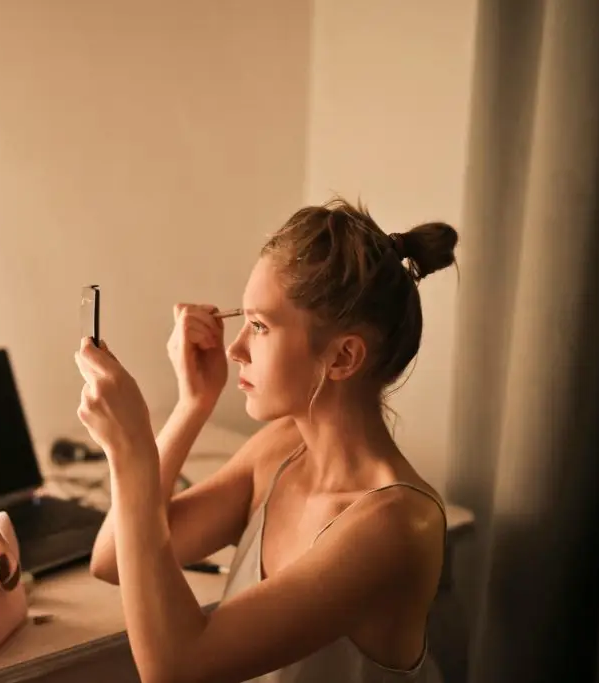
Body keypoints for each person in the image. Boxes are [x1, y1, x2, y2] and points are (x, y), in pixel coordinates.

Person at [73, 198, 458, 683]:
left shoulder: (396, 525)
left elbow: (176, 669)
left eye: (259, 326)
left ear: (342, 358)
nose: (235, 349)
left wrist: (133, 454)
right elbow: (111, 559)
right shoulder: (280, 449)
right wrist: (192, 404)